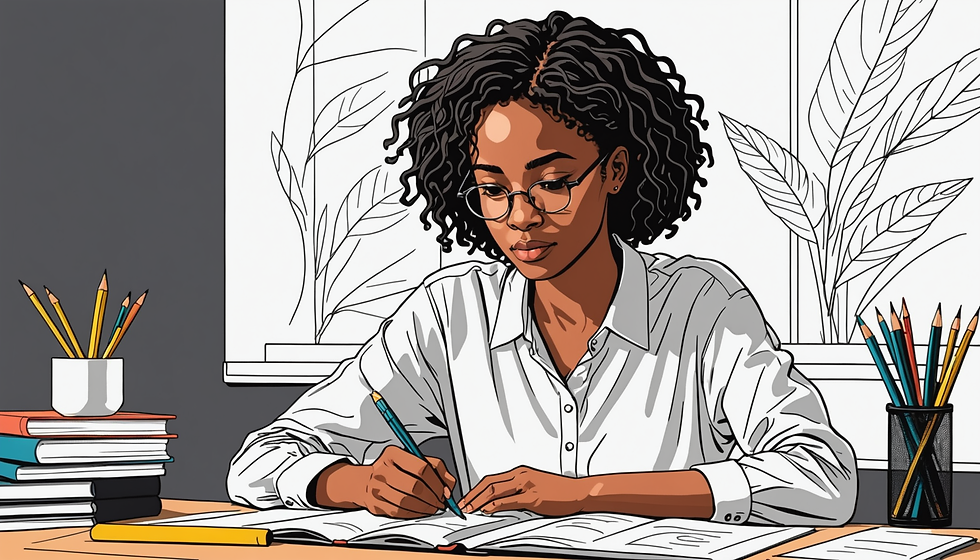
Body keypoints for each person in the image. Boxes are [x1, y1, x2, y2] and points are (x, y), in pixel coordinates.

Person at [227, 10, 857, 526]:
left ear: (614, 170)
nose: (521, 218)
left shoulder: (700, 305)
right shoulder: (453, 313)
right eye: (493, 190)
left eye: (553, 183)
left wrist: (585, 494)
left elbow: (822, 477)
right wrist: (355, 483)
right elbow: (257, 461)